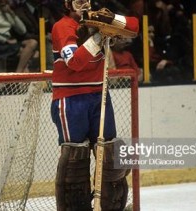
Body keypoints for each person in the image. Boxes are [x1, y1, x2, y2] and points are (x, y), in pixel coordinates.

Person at [50, 0, 138, 210]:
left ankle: (110, 206)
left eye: (86, 0)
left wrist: (111, 21)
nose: (83, 5)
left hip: (99, 95)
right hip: (71, 98)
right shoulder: (63, 26)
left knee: (109, 154)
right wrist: (100, 36)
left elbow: (134, 26)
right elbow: (75, 63)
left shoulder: (97, 21)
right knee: (75, 161)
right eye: (78, 1)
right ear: (67, 4)